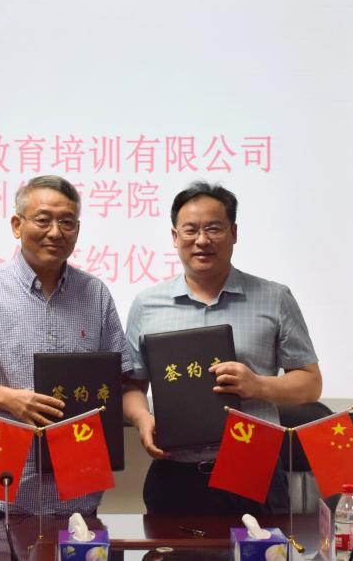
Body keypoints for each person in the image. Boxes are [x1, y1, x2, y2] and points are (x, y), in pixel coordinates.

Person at [0, 175, 132, 516]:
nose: (55, 232)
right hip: (1, 472)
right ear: (17, 225)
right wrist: (9, 399)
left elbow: (119, 377)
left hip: (78, 471)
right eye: (43, 220)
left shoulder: (95, 293)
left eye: (67, 222)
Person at [122, 181, 322, 515]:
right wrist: (142, 418)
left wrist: (257, 385)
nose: (202, 240)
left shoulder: (274, 298)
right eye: (190, 230)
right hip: (174, 471)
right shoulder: (147, 304)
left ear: (234, 233)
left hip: (252, 464)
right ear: (175, 237)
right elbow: (132, 385)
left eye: (214, 228)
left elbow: (311, 383)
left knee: (259, 544)